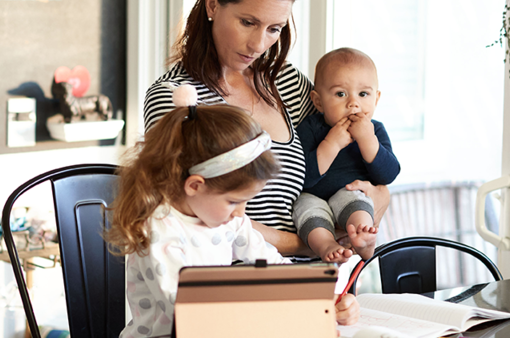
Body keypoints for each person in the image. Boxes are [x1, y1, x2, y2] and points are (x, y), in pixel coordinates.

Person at [143, 0, 391, 260]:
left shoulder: (287, 83)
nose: (259, 44)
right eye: (248, 22)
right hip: (236, 277)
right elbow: (185, 213)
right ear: (212, 4)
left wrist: (378, 196)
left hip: (318, 271)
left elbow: (363, 165)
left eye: (274, 29)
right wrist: (311, 243)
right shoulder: (176, 96)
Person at [107, 87, 360, 338]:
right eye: (233, 201)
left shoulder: (228, 220)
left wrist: (325, 303)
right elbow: (188, 316)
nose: (241, 213)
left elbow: (277, 270)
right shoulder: (160, 232)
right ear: (195, 185)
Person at [294, 48, 400, 263]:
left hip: (350, 192)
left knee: (356, 199)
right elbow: (303, 178)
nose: (353, 103)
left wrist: (367, 140)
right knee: (305, 208)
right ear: (318, 101)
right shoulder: (310, 127)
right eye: (340, 94)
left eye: (363, 94)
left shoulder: (375, 131)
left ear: (376, 98)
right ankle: (326, 246)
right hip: (313, 196)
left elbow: (388, 175)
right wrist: (332, 143)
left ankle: (364, 237)